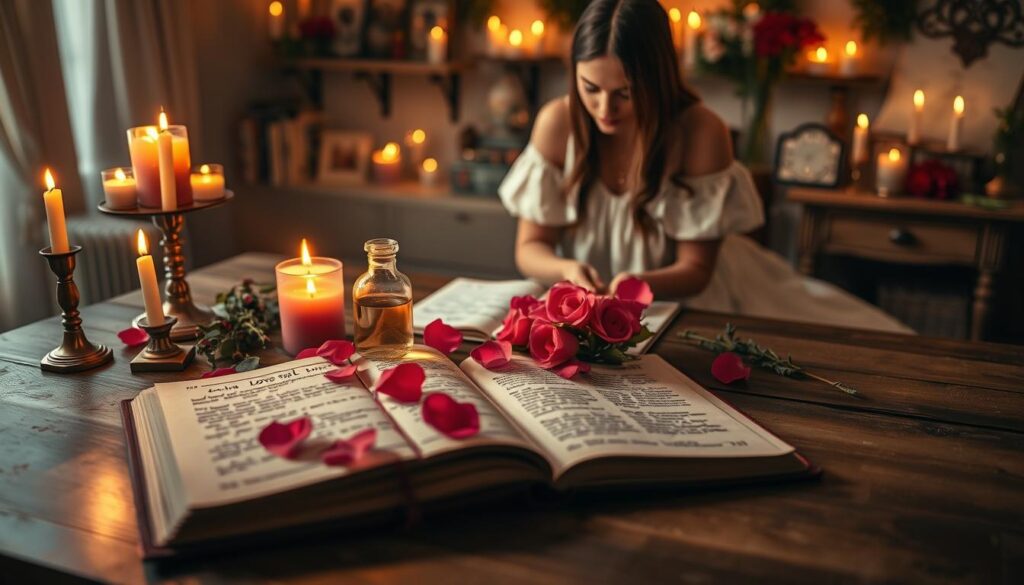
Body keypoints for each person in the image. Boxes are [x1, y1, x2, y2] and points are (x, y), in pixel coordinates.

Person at [498, 0, 910, 333]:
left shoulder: (700, 131)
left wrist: (638, 285)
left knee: (860, 338)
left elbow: (697, 271)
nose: (605, 109)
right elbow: (529, 248)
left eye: (625, 92)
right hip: (596, 311)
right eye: (591, 89)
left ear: (657, 78)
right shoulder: (558, 122)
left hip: (698, 300)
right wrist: (566, 269)